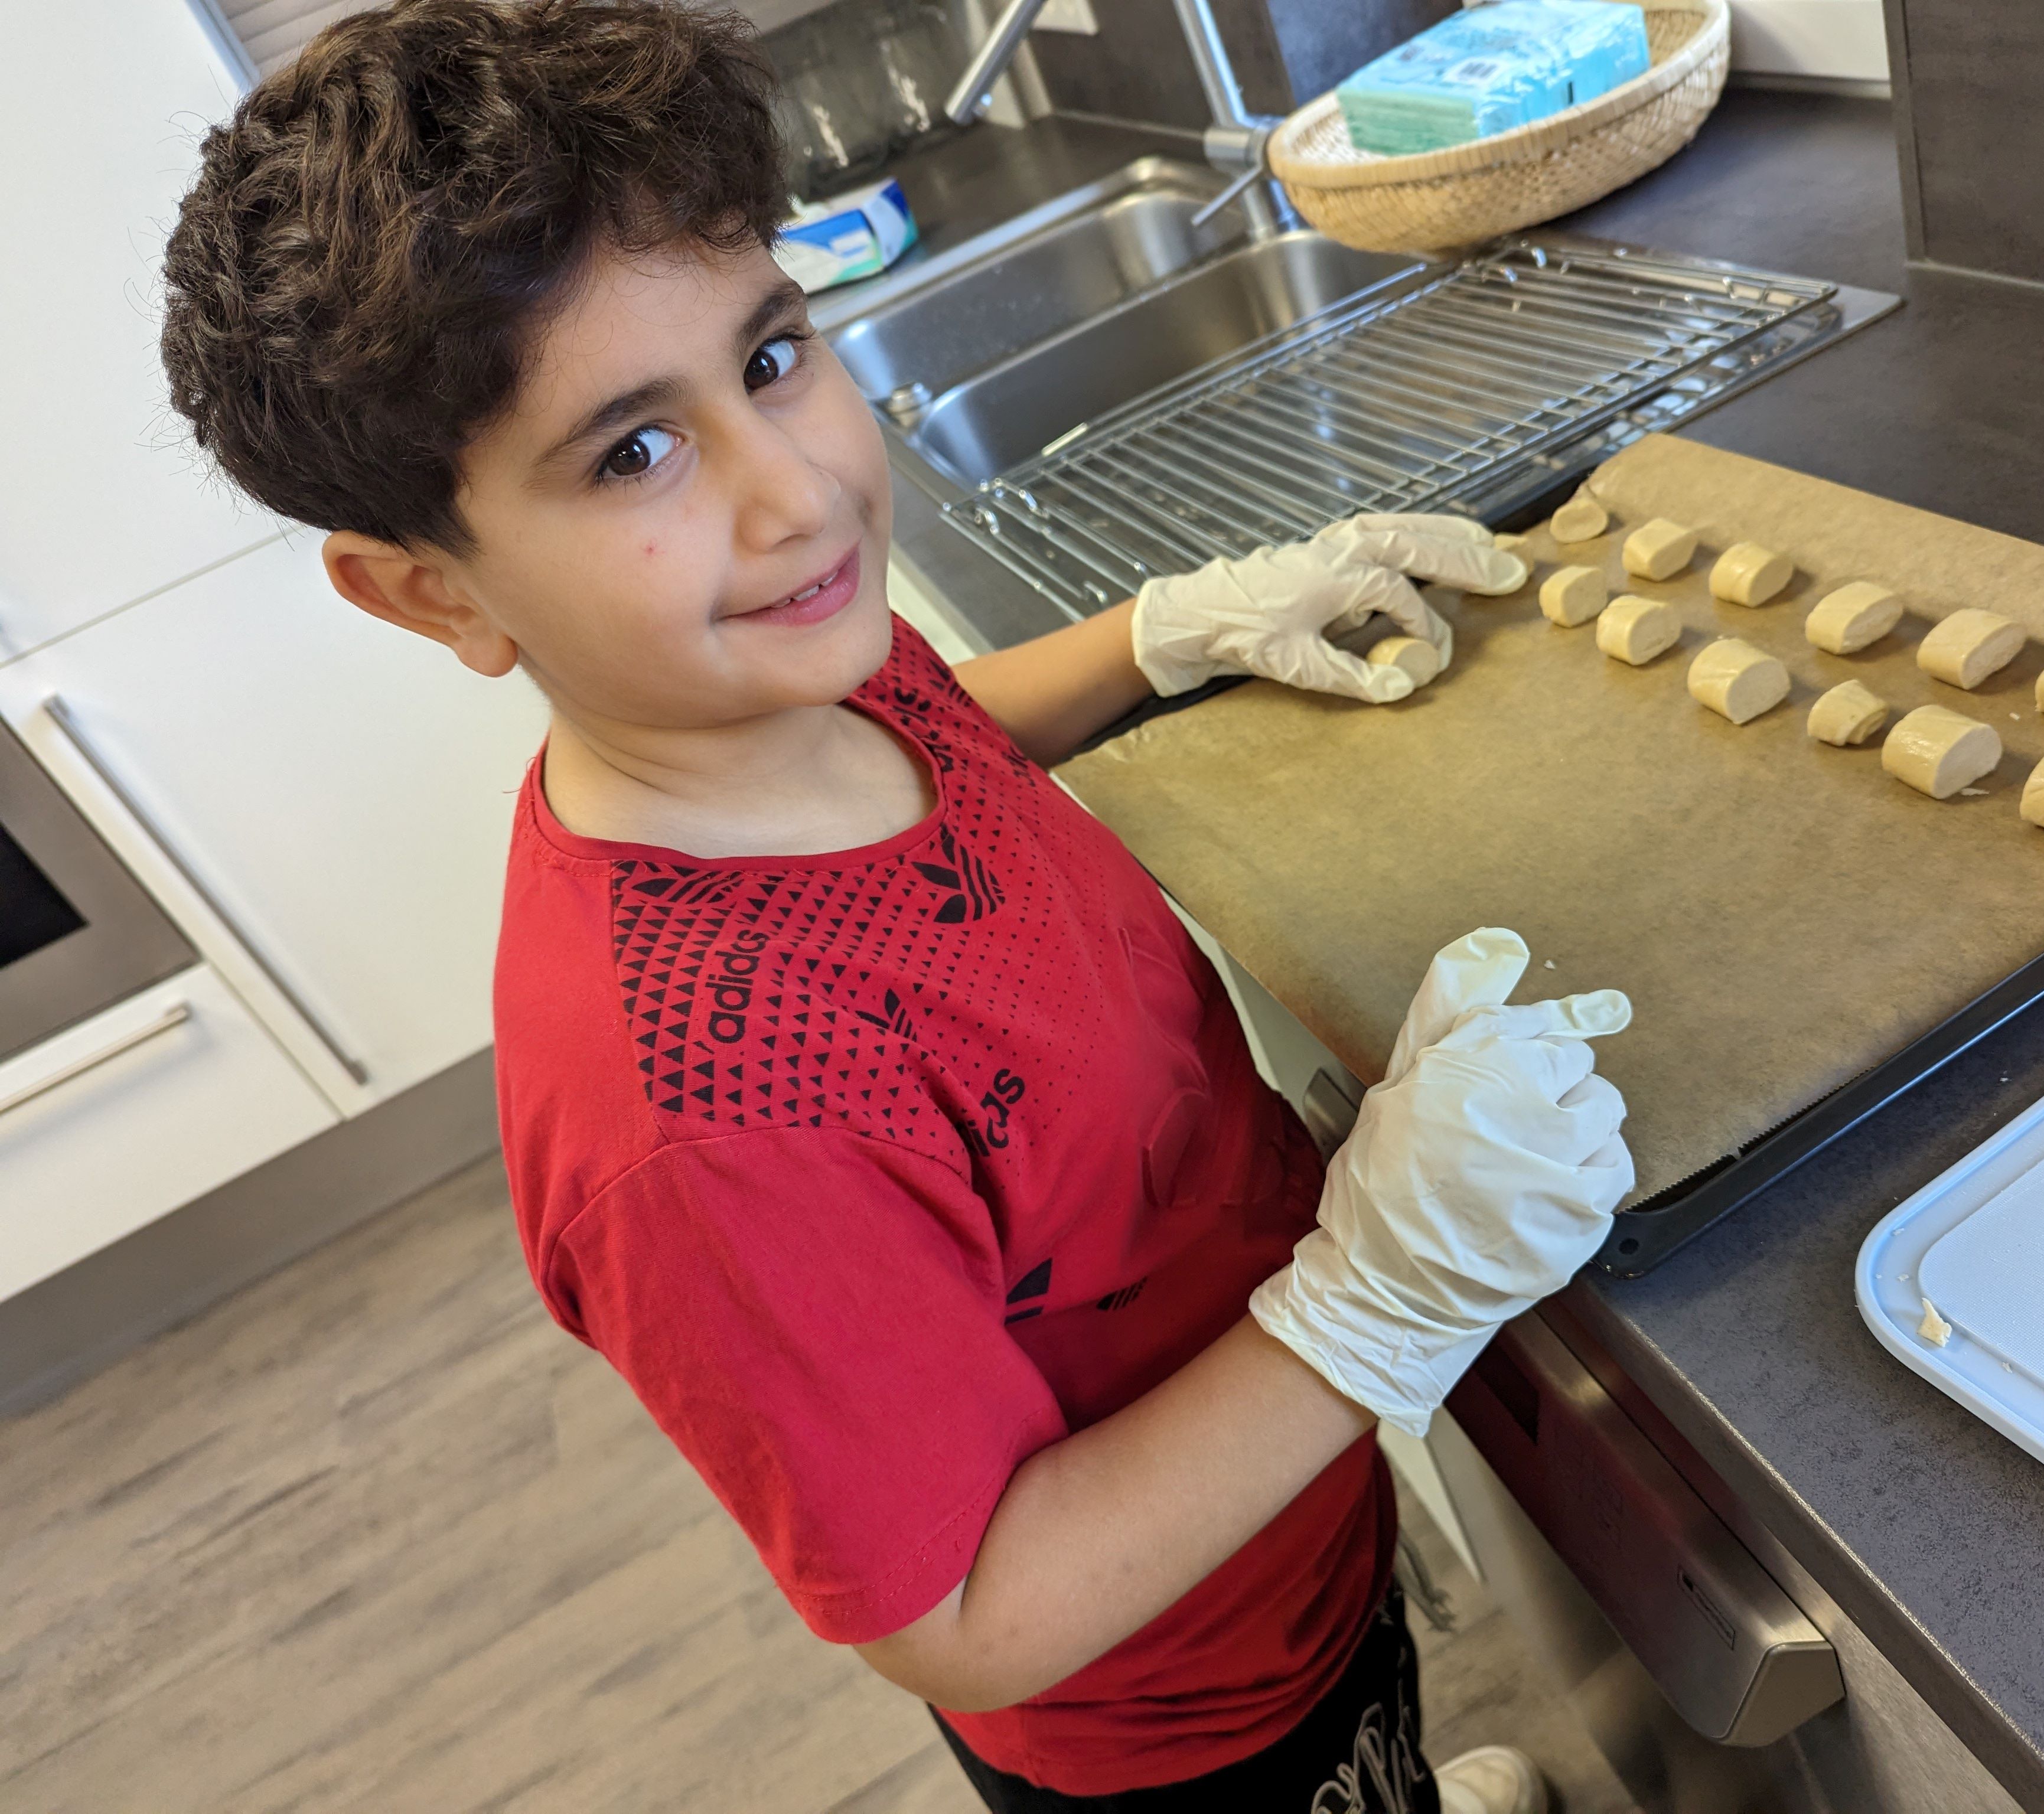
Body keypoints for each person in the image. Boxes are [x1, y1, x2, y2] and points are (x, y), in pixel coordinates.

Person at [157, 5, 1633, 1809]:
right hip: (1183, 1712)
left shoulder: (790, 692)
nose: (798, 493)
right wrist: (1374, 1308)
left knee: (1381, 1726)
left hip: (1283, 1508)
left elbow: (950, 725)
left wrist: (1171, 631)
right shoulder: (702, 1126)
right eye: (632, 455)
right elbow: (973, 1613)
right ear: (431, 594)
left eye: (772, 355)